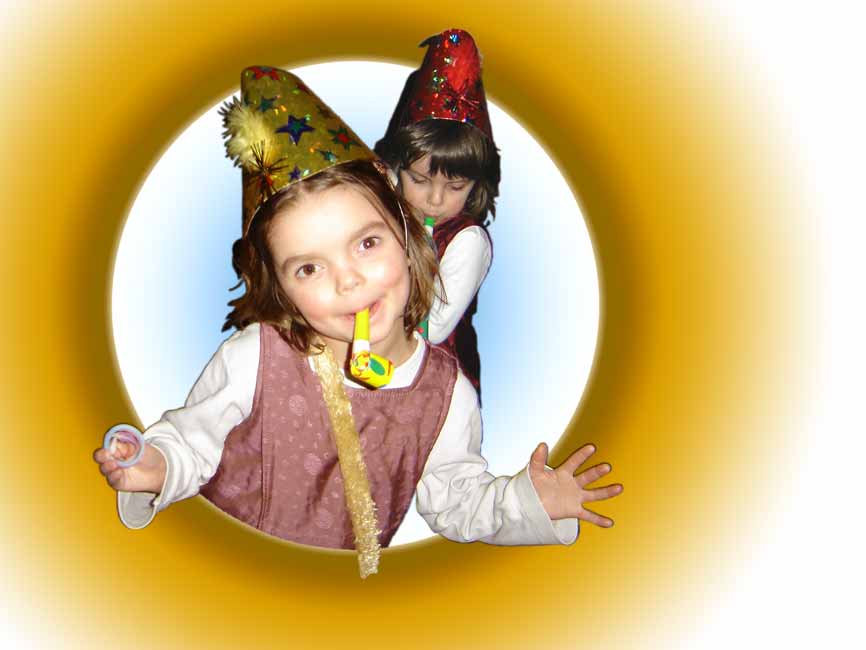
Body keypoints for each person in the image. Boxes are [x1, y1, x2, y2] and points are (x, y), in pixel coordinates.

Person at [93, 67, 622, 577]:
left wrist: (528, 503)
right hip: (229, 574)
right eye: (309, 267)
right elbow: (191, 441)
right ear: (281, 288)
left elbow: (458, 501)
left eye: (367, 243)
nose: (348, 281)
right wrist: (155, 466)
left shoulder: (446, 394)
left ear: (407, 237)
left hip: (336, 595)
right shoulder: (254, 356)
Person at [375, 28, 499, 399]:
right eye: (418, 180)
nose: (434, 199)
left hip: (438, 393)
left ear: (476, 185)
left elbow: (434, 326)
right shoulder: (385, 215)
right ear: (397, 169)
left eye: (455, 187)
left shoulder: (467, 241)